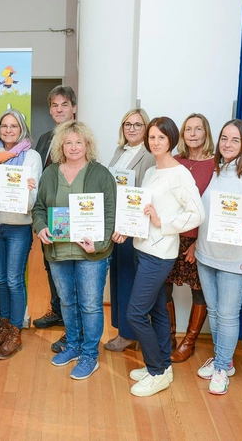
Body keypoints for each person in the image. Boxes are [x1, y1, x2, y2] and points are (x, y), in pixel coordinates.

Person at [114, 117, 204, 397]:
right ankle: (163, 366)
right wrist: (128, 230)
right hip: (142, 249)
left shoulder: (180, 174)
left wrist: (161, 222)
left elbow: (197, 213)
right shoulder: (153, 170)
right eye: (151, 137)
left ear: (171, 140)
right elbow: (142, 211)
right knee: (155, 311)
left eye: (160, 138)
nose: (154, 142)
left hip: (160, 254)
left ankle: (155, 371)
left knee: (135, 313)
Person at [32, 121, 116, 380]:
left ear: (87, 145)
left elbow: (111, 215)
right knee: (67, 302)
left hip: (91, 254)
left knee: (90, 305)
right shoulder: (50, 174)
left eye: (79, 142)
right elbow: (38, 208)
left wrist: (100, 243)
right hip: (58, 252)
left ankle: (90, 354)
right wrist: (41, 227)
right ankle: (74, 346)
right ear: (60, 146)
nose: (74, 147)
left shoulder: (101, 174)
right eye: (68, 142)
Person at [195, 119, 242, 395]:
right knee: (214, 311)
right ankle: (222, 361)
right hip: (208, 255)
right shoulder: (216, 171)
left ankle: (222, 366)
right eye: (224, 139)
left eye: (235, 140)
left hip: (238, 259)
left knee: (227, 314)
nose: (227, 144)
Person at [0, 109, 42, 359]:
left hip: (18, 226)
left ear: (22, 129)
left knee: (14, 279)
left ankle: (15, 332)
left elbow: (33, 199)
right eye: (4, 126)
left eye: (14, 126)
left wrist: (27, 190)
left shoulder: (31, 157)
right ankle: (4, 326)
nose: (8, 130)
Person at [165, 114, 215, 362]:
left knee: (199, 292)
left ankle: (189, 342)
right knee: (162, 287)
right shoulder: (175, 161)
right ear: (182, 134)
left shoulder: (217, 165)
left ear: (206, 133)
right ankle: (169, 337)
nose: (193, 134)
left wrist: (199, 242)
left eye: (198, 129)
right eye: (188, 129)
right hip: (172, 236)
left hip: (198, 239)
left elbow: (214, 209)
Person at [104, 108, 156, 353]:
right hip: (114, 224)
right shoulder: (119, 151)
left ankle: (128, 334)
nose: (132, 128)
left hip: (131, 227)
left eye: (137, 124)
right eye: (127, 124)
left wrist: (128, 226)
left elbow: (145, 195)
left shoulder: (149, 155)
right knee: (116, 278)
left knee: (127, 279)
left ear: (145, 128)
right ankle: (120, 328)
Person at [32, 85, 78, 351]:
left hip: (71, 215)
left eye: (64, 105)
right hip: (48, 214)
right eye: (54, 105)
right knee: (51, 265)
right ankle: (57, 310)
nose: (59, 110)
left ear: (74, 107)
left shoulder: (79, 136)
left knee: (70, 271)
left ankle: (73, 328)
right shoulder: (44, 138)